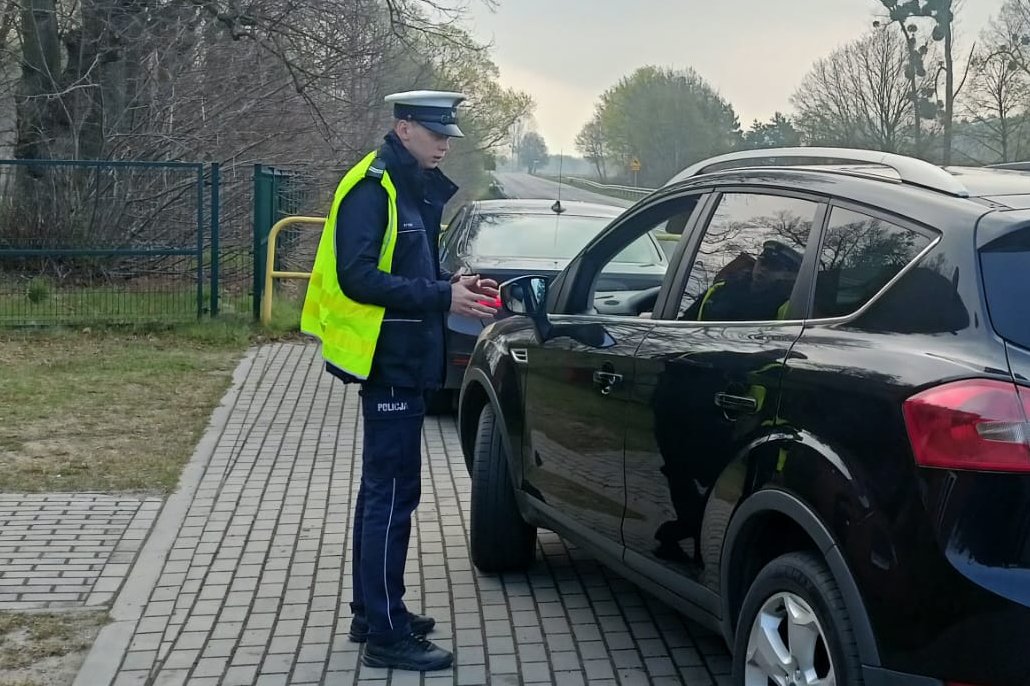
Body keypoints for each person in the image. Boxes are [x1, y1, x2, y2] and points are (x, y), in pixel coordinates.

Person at [301, 90, 499, 672]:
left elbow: (406, 267)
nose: (444, 145)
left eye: (448, 136)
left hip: (405, 358)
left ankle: (374, 612)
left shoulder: (407, 184)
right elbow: (358, 277)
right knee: (390, 495)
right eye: (436, 134)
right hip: (387, 360)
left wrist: (453, 283)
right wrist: (441, 296)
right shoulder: (373, 187)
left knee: (384, 492)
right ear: (404, 128)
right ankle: (387, 636)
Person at [680, 239, 803, 322]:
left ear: (790, 275)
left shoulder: (788, 307)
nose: (764, 269)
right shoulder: (721, 289)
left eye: (774, 267)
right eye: (762, 262)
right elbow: (683, 324)